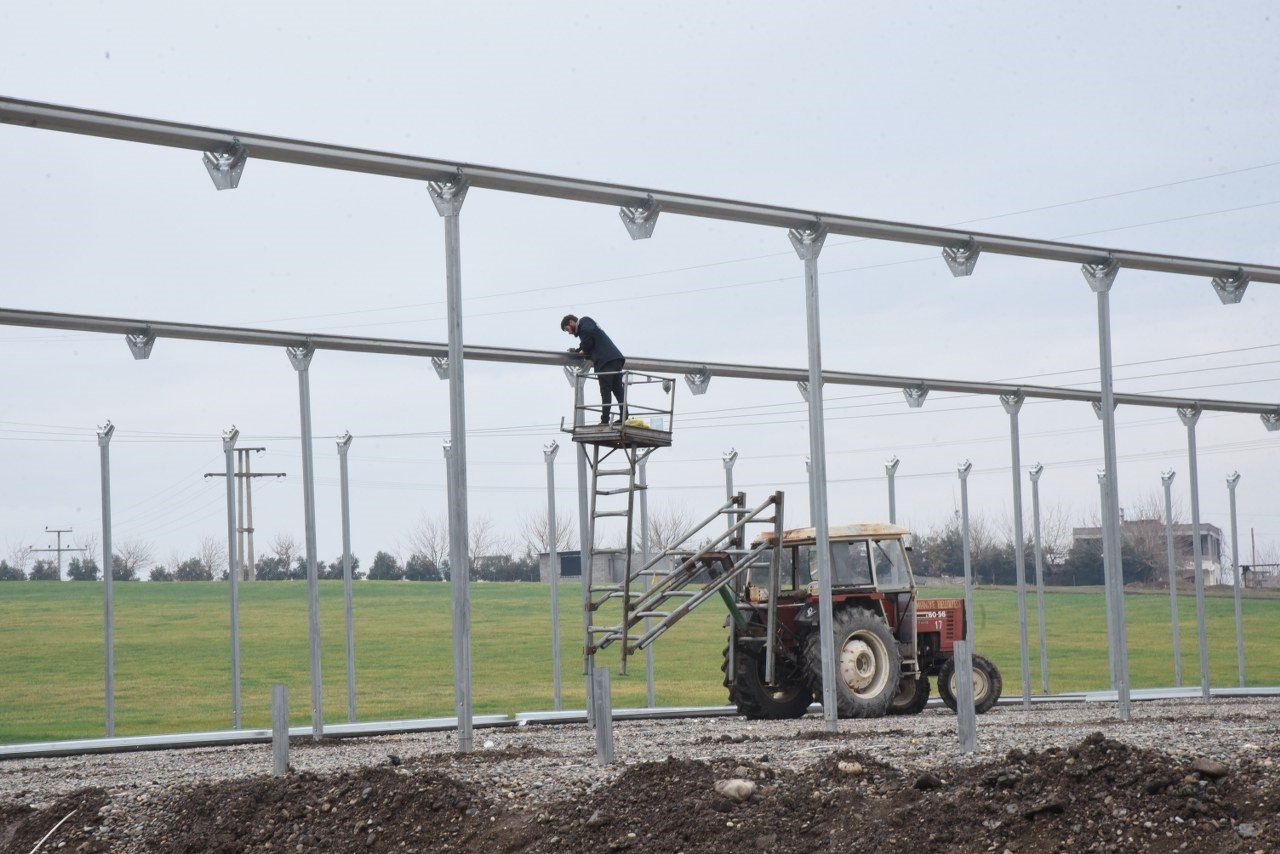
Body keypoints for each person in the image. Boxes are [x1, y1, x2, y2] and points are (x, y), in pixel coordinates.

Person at [561, 313, 626, 425]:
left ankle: (604, 421)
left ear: (571, 322)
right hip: (615, 359)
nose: (569, 332)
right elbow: (588, 341)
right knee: (618, 390)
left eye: (567, 329)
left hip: (605, 362)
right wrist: (579, 350)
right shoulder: (586, 328)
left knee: (605, 392)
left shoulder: (584, 322)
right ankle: (624, 417)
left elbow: (588, 340)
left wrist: (582, 350)